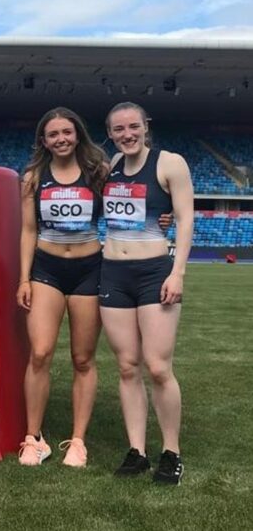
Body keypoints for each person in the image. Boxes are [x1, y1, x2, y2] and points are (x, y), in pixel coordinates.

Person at [100, 102, 193, 485]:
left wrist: (178, 272)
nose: (127, 134)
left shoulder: (169, 163)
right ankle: (136, 451)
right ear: (110, 134)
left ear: (145, 126)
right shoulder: (108, 168)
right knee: (126, 366)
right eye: (119, 129)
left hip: (155, 271)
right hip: (113, 271)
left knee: (157, 366)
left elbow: (185, 217)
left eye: (133, 127)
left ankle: (171, 452)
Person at [16, 107, 107, 468]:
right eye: (53, 134)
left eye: (67, 132)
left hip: (89, 269)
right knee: (40, 352)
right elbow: (27, 230)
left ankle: (78, 442)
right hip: (47, 268)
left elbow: (127, 205)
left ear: (78, 134)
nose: (61, 139)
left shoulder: (98, 172)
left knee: (83, 359)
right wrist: (24, 277)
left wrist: (160, 215)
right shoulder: (33, 177)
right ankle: (33, 438)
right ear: (44, 141)